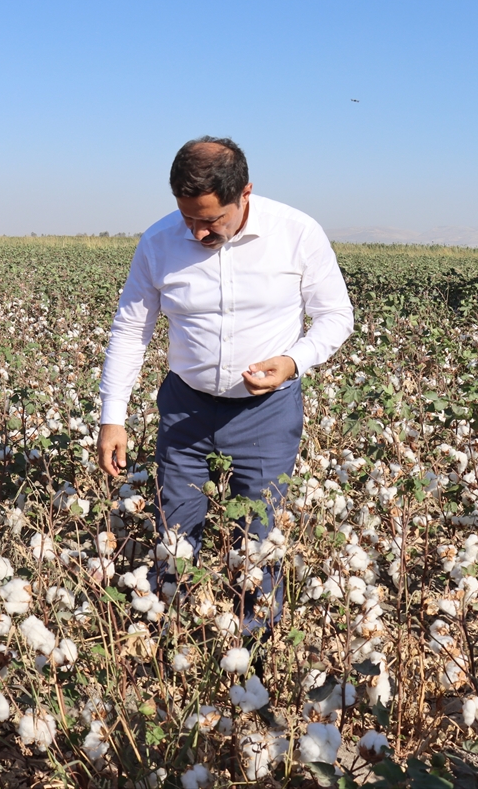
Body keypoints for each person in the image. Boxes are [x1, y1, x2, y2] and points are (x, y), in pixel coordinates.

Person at [96, 136, 354, 637]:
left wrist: (293, 361)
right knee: (175, 531)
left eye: (211, 219)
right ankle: (170, 639)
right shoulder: (158, 242)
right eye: (188, 217)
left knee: (258, 537)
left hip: (266, 412)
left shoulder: (297, 233)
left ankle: (255, 646)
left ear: (245, 194)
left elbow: (335, 316)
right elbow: (131, 329)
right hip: (186, 407)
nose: (197, 230)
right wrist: (113, 417)